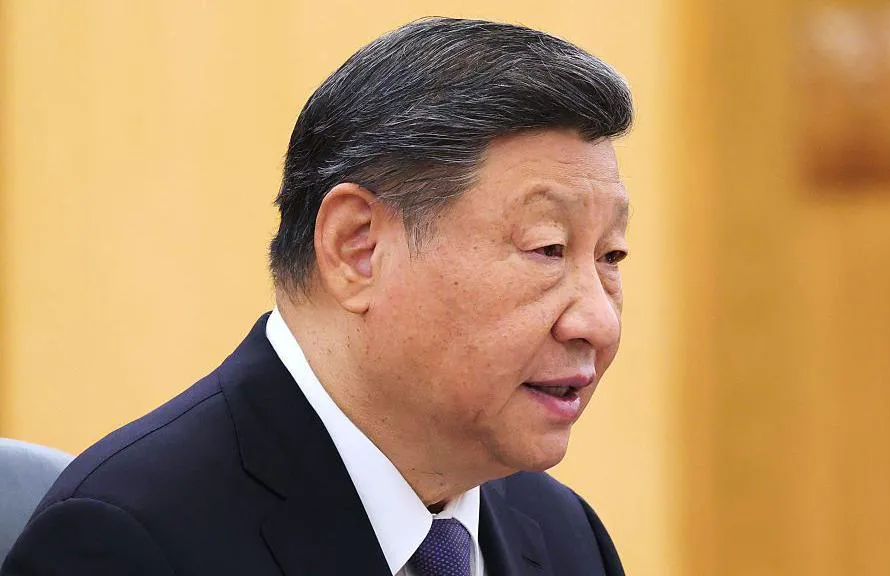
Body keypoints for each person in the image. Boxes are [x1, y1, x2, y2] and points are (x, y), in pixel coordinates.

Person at [2, 17, 632, 576]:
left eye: (610, 257)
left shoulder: (565, 537)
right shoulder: (129, 541)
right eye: (548, 249)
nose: (598, 322)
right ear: (358, 248)